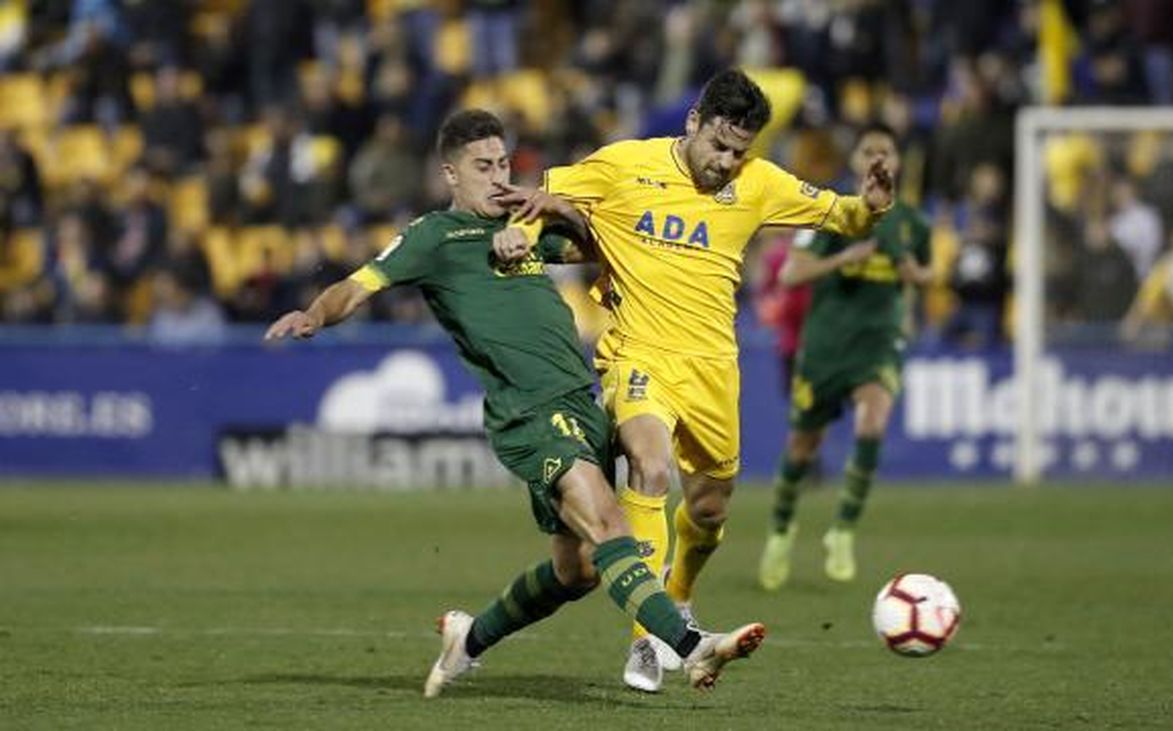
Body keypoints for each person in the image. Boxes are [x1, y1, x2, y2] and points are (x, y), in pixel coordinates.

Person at [263, 109, 765, 698]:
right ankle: (690, 646)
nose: (498, 176)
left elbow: (603, 245)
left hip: (580, 403)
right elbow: (358, 285)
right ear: (451, 174)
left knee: (578, 570)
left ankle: (469, 639)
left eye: (504, 163)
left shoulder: (522, 224)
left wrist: (551, 213)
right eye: (483, 166)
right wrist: (314, 315)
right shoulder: (434, 236)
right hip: (530, 412)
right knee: (611, 524)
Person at [494, 68, 894, 692]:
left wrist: (869, 206)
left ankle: (678, 594)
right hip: (637, 356)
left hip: (712, 369)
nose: (726, 162)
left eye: (739, 151)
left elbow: (839, 216)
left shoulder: (759, 183)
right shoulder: (625, 165)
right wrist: (520, 232)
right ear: (693, 122)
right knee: (650, 468)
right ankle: (647, 638)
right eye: (719, 145)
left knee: (709, 510)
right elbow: (542, 198)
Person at [755, 123, 932, 591]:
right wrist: (843, 259)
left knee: (873, 422)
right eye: (868, 150)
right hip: (828, 346)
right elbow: (790, 275)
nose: (877, 158)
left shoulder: (914, 223)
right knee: (802, 446)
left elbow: (927, 273)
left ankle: (843, 530)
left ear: (897, 161)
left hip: (879, 342)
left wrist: (915, 277)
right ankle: (780, 532)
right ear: (855, 161)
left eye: (885, 150)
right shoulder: (831, 213)